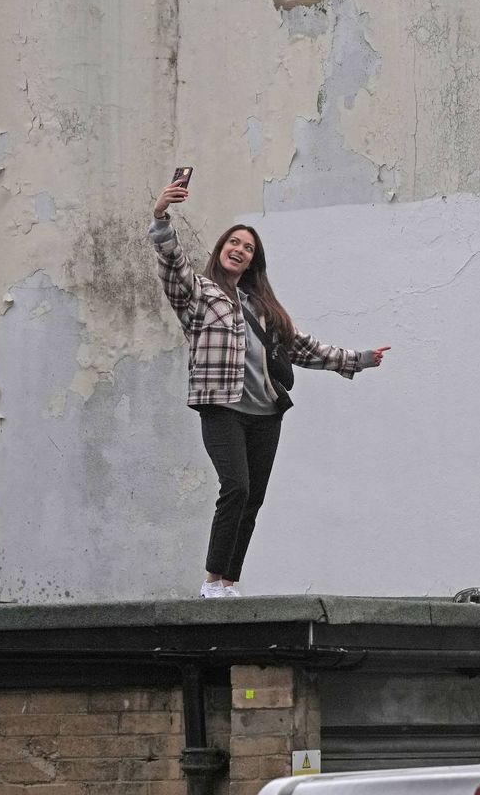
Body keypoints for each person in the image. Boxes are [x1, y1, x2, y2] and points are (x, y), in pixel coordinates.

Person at [149, 176, 390, 598]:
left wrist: (359, 359)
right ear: (221, 248)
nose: (240, 250)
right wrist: (161, 217)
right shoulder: (199, 295)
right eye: (234, 243)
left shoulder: (262, 307)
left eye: (248, 248)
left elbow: (304, 348)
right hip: (222, 407)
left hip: (266, 414)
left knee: (253, 499)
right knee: (235, 487)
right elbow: (173, 264)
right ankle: (210, 582)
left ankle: (228, 582)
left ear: (252, 261)